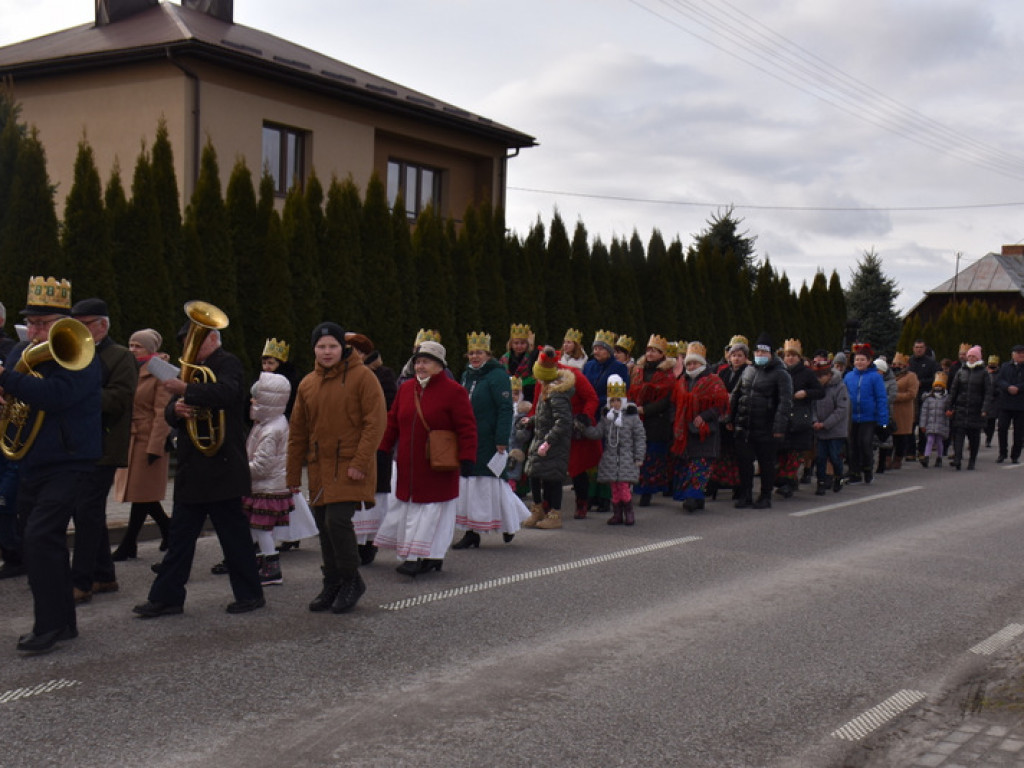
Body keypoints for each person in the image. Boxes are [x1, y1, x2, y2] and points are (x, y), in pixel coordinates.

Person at [133, 315, 265, 618]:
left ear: (213, 339)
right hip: (194, 467)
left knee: (234, 538)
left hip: (223, 466)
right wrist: (176, 409)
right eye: (185, 343)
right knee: (179, 538)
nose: (189, 347)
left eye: (196, 340)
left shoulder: (227, 363)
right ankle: (167, 597)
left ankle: (250, 594)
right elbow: (169, 411)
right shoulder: (188, 371)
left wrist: (187, 391)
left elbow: (230, 395)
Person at [1, 276, 102, 653]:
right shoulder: (19, 353)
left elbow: (57, 395)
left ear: (63, 325)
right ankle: (64, 622)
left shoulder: (80, 353)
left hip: (72, 460)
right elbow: (15, 397)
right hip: (34, 460)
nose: (35, 330)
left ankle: (47, 627)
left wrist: (9, 380)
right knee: (45, 543)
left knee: (40, 538)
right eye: (32, 322)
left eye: (43, 323)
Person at [287, 322, 387, 610]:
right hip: (319, 467)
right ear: (314, 349)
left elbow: (375, 422)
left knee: (337, 521)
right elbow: (298, 432)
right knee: (323, 525)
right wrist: (293, 475)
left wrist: (360, 462)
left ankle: (351, 578)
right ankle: (332, 582)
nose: (327, 352)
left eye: (332, 346)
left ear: (342, 347)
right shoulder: (307, 383)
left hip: (350, 466)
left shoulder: (363, 377)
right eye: (321, 346)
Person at [377, 340, 477, 573]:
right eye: (418, 362)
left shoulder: (454, 391)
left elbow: (467, 427)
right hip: (408, 465)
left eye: (427, 362)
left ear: (440, 366)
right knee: (411, 510)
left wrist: (468, 457)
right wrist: (383, 448)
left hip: (438, 465)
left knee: (431, 512)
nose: (421, 366)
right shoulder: (405, 388)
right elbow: (393, 421)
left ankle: (418, 557)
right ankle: (423, 555)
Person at [69, 298, 139, 604]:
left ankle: (81, 582)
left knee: (86, 512)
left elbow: (118, 400)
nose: (79, 331)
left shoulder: (120, 356)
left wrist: (76, 391)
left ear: (103, 325)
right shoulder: (75, 353)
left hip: (104, 445)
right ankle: (104, 574)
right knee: (87, 511)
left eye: (85, 325)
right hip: (78, 445)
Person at [453, 332, 529, 548]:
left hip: (489, 437)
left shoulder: (497, 376)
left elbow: (505, 408)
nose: (474, 357)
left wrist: (501, 438)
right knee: (469, 483)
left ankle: (509, 523)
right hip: (469, 437)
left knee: (491, 483)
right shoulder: (467, 375)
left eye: (479, 353)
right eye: (471, 353)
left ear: (488, 354)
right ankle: (471, 531)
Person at [111, 328, 172, 561]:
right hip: (130, 437)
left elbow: (161, 412)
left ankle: (128, 544)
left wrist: (155, 446)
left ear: (150, 349)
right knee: (142, 493)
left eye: (138, 346)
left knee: (141, 493)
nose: (132, 350)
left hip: (148, 437)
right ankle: (168, 529)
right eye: (131, 344)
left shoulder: (161, 371)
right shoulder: (129, 368)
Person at [730, 332, 792, 509]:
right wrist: (730, 417)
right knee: (744, 463)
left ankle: (765, 496)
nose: (760, 356)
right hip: (745, 425)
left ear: (771, 354)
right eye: (757, 352)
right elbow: (736, 394)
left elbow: (785, 402)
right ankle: (746, 494)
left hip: (767, 427)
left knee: (766, 464)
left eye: (764, 353)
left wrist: (779, 427)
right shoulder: (748, 370)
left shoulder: (781, 374)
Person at [243, 372, 293, 586]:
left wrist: (238, 471)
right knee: (261, 528)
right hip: (269, 485)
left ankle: (271, 566)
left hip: (266, 487)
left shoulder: (270, 429)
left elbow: (262, 465)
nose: (252, 401)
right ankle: (263, 561)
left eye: (256, 397)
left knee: (260, 528)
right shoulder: (269, 422)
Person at [520, 347, 574, 530]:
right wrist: (532, 420)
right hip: (541, 438)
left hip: (553, 443)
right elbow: (546, 416)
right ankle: (537, 509)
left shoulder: (556, 393)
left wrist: (549, 440)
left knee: (554, 477)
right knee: (533, 473)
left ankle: (555, 513)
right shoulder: (547, 389)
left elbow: (563, 420)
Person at [670, 342, 729, 512]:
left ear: (702, 363)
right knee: (689, 466)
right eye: (688, 363)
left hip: (705, 433)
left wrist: (704, 416)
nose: (691, 366)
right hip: (687, 433)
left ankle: (692, 497)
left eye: (694, 363)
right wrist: (676, 420)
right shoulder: (682, 381)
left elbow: (721, 405)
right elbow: (674, 403)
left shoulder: (713, 381)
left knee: (700, 466)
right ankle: (696, 497)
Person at [582, 374, 646, 524]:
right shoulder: (607, 418)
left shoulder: (631, 417)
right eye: (612, 401)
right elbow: (598, 432)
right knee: (615, 489)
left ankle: (628, 512)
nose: (615, 404)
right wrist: (585, 428)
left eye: (618, 400)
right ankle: (617, 513)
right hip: (611, 458)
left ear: (622, 401)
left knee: (623, 487)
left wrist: (639, 457)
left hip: (626, 457)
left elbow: (639, 438)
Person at [583, 330, 629, 512]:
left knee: (606, 454)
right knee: (592, 455)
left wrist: (600, 402)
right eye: (595, 348)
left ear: (609, 351)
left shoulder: (619, 368)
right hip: (590, 414)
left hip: (608, 414)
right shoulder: (589, 366)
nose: (596, 351)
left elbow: (620, 393)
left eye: (601, 348)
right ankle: (591, 493)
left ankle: (605, 496)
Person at [359, 348, 398, 564]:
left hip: (376, 439)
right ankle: (354, 541)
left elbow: (389, 407)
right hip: (352, 441)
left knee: (375, 492)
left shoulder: (384, 375)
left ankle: (369, 542)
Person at [629, 334, 675, 507]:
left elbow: (665, 400)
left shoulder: (666, 374)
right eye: (649, 350)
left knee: (651, 458)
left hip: (656, 421)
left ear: (662, 355)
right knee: (639, 456)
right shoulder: (638, 370)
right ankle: (639, 487)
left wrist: (646, 409)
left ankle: (647, 491)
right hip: (637, 418)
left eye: (655, 351)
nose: (650, 354)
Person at [775, 339, 823, 498]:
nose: (790, 358)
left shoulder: (807, 373)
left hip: (799, 418)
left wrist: (806, 393)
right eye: (788, 355)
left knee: (795, 453)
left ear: (799, 357)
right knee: (782, 453)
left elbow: (819, 392)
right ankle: (788, 480)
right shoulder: (779, 371)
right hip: (782, 418)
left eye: (793, 356)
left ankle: (788, 482)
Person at [708, 335, 749, 501]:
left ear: (745, 358)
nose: (736, 358)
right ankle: (716, 482)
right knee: (721, 452)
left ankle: (738, 486)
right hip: (722, 417)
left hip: (739, 417)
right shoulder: (723, 372)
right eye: (734, 355)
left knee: (737, 454)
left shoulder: (748, 372)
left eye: (740, 355)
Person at [843, 344, 889, 484]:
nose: (859, 362)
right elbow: (844, 396)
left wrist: (883, 420)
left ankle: (868, 470)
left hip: (868, 417)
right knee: (852, 445)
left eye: (863, 360)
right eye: (857, 360)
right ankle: (854, 472)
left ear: (869, 361)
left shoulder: (875, 377)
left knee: (865, 444)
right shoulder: (849, 376)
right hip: (852, 417)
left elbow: (881, 398)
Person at [946, 344, 993, 471]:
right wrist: (949, 406)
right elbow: (954, 390)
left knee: (974, 438)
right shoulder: (961, 372)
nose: (971, 358)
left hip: (976, 410)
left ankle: (972, 460)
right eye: (969, 356)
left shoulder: (984, 373)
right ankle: (957, 459)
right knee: (958, 435)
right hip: (961, 409)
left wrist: (985, 409)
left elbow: (988, 393)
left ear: (978, 358)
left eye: (974, 356)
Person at [811, 354, 849, 494]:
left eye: (821, 376)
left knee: (834, 456)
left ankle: (838, 476)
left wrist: (826, 424)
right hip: (820, 429)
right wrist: (814, 421)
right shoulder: (817, 388)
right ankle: (820, 483)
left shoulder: (840, 387)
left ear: (828, 375)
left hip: (835, 430)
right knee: (820, 457)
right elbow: (812, 405)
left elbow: (841, 410)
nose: (819, 379)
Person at [908, 339, 938, 460]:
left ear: (925, 349)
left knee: (923, 425)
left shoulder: (931, 363)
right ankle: (910, 452)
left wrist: (921, 383)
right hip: (911, 398)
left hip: (924, 397)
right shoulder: (910, 361)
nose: (918, 349)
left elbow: (935, 379)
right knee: (910, 425)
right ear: (913, 348)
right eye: (916, 347)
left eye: (921, 347)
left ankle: (922, 451)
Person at [888, 352, 919, 469]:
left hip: (903, 411)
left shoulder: (911, 376)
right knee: (888, 436)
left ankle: (898, 458)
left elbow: (912, 394)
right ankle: (887, 459)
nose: (896, 366)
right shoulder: (890, 375)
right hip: (890, 410)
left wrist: (894, 396)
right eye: (895, 363)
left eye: (899, 364)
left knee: (900, 437)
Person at [994, 344, 1024, 464]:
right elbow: (999, 380)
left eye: (1022, 353)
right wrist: (1007, 387)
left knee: (1019, 432)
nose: (1021, 355)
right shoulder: (1005, 366)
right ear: (1013, 355)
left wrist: (1018, 388)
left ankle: (1015, 455)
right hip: (1005, 403)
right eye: (1018, 353)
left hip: (1021, 404)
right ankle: (1002, 453)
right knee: (1002, 428)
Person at [259, 338, 300, 419]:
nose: (266, 367)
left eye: (271, 363)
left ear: (280, 364)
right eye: (264, 363)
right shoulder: (260, 380)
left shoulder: (291, 382)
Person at [500, 323, 539, 402]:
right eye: (516, 343)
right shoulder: (504, 358)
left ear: (527, 344)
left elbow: (534, 377)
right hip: (509, 392)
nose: (519, 346)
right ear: (511, 344)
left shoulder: (532, 357)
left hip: (528, 393)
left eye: (522, 343)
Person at [918, 372, 950, 468]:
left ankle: (939, 457)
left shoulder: (946, 399)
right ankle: (926, 457)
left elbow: (948, 412)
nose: (938, 387)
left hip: (941, 424)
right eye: (936, 385)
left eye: (940, 386)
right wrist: (922, 425)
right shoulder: (928, 399)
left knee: (939, 441)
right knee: (930, 440)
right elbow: (924, 413)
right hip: (930, 424)